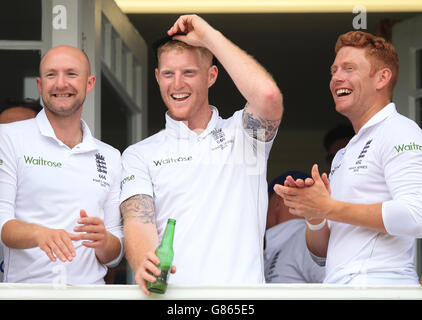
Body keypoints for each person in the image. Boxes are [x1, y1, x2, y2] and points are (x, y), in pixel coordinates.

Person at [120, 15, 283, 295]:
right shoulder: (139, 154)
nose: (177, 84)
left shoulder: (242, 135)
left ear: (211, 76)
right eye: (168, 74)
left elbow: (268, 95)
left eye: (189, 73)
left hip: (240, 301)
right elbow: (138, 220)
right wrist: (144, 260)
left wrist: (209, 36)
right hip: (172, 301)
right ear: (158, 77)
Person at [274, 31, 422, 285]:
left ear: (382, 78)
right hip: (340, 287)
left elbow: (415, 215)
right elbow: (322, 253)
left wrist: (329, 207)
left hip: (380, 286)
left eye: (349, 68)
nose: (336, 78)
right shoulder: (345, 153)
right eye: (334, 70)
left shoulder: (400, 130)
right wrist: (314, 213)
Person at [0, 45, 123, 284]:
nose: (60, 83)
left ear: (89, 83)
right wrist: (39, 233)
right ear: (40, 85)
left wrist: (104, 241)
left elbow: (114, 255)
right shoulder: (7, 137)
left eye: (71, 74)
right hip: (26, 294)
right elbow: (2, 225)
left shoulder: (110, 156)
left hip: (90, 295)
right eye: (51, 74)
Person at [264, 171, 325, 283]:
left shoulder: (305, 240)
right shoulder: (284, 243)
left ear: (277, 201)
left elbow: (339, 288)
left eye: (265, 200)